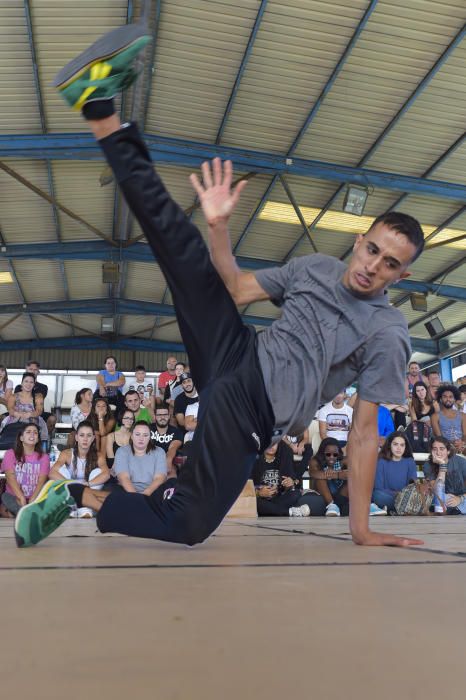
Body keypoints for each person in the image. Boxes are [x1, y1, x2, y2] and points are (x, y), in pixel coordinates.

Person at [14, 25, 425, 549]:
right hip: (236, 351)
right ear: (360, 239)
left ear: (401, 276)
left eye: (390, 265)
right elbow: (233, 289)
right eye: (371, 250)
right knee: (180, 245)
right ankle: (100, 108)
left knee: (188, 523)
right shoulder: (317, 267)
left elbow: (365, 433)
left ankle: (80, 496)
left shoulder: (388, 332)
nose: (373, 266)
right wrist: (217, 226)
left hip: (252, 406)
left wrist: (360, 528)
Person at [309, 438, 386, 517]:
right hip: (326, 495)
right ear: (322, 453)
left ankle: (368, 505)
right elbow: (314, 474)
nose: (332, 457)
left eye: (335, 454)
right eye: (328, 454)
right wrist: (338, 475)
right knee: (320, 479)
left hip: (341, 494)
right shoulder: (315, 461)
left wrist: (341, 474)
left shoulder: (344, 460)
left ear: (338, 453)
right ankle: (332, 506)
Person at [49, 420, 110, 518]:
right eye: (82, 435)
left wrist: (87, 484)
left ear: (93, 438)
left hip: (89, 490)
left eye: (89, 435)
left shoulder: (99, 455)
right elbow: (52, 473)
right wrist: (72, 484)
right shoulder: (67, 453)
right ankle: (71, 505)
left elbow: (106, 474)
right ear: (76, 437)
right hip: (71, 490)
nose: (85, 439)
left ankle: (85, 506)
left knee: (98, 471)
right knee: (61, 470)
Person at [252, 442, 325, 517]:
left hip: (277, 498)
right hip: (261, 499)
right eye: (269, 443)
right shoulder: (253, 460)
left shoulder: (283, 459)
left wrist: (289, 484)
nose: (271, 446)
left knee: (295, 494)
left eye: (274, 444)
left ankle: (271, 510)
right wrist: (258, 493)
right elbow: (246, 487)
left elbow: (285, 489)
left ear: (278, 445)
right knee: (255, 502)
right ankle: (290, 512)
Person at [0, 423, 50, 518]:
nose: (32, 435)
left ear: (38, 439)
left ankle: (19, 514)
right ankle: (26, 513)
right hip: (14, 496)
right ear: (21, 438)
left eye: (35, 433)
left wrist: (33, 499)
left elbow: (41, 481)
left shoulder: (44, 457)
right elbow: (10, 478)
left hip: (36, 496)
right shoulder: (10, 454)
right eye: (28, 432)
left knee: (5, 512)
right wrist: (21, 497)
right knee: (5, 498)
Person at [113, 421, 167, 495]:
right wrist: (136, 498)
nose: (141, 438)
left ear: (150, 437)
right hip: (127, 491)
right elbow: (123, 478)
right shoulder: (122, 451)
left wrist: (144, 496)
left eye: (145, 435)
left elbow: (159, 478)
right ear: (131, 436)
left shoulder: (159, 452)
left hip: (152, 491)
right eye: (137, 434)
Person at [372, 432, 417, 512]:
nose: (399, 448)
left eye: (402, 445)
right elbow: (379, 488)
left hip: (405, 498)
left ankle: (395, 509)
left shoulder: (410, 462)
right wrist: (397, 495)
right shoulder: (381, 462)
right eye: (395, 444)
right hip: (388, 497)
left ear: (405, 447)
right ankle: (402, 509)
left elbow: (412, 487)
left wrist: (403, 496)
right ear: (390, 445)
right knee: (377, 495)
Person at [423, 437, 466, 515]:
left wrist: (460, 499)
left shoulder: (461, 462)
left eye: (441, 449)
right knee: (441, 498)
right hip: (442, 499)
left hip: (462, 498)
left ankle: (457, 510)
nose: (438, 452)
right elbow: (436, 491)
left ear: (448, 451)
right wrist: (442, 465)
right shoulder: (428, 465)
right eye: (435, 449)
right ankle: (457, 511)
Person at [1, 372, 48, 442]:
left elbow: (39, 411)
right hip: (15, 419)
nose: (28, 384)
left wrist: (30, 414)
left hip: (33, 419)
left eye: (31, 382)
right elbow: (10, 409)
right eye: (26, 381)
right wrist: (17, 414)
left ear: (34, 384)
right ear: (22, 383)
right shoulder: (13, 396)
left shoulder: (38, 396)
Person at [14, 360, 56, 435]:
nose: (32, 371)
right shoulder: (18, 387)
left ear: (38, 372)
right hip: (20, 412)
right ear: (26, 370)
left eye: (35, 370)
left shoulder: (43, 387)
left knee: (52, 419)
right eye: (30, 369)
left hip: (37, 412)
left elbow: (35, 399)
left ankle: (46, 438)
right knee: (3, 417)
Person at [431, 385, 466, 454]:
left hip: (462, 445)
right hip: (445, 447)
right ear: (440, 399)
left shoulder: (463, 415)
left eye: (450, 397)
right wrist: (452, 444)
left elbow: (465, 434)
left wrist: (462, 442)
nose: (448, 399)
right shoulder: (435, 416)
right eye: (445, 397)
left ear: (454, 399)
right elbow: (439, 437)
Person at [150, 405, 184, 477]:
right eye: (159, 415)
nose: (162, 417)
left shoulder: (176, 432)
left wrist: (168, 459)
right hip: (149, 460)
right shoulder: (147, 429)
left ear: (169, 416)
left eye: (165, 415)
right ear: (155, 416)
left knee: (171, 469)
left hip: (168, 461)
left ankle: (170, 487)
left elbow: (173, 448)